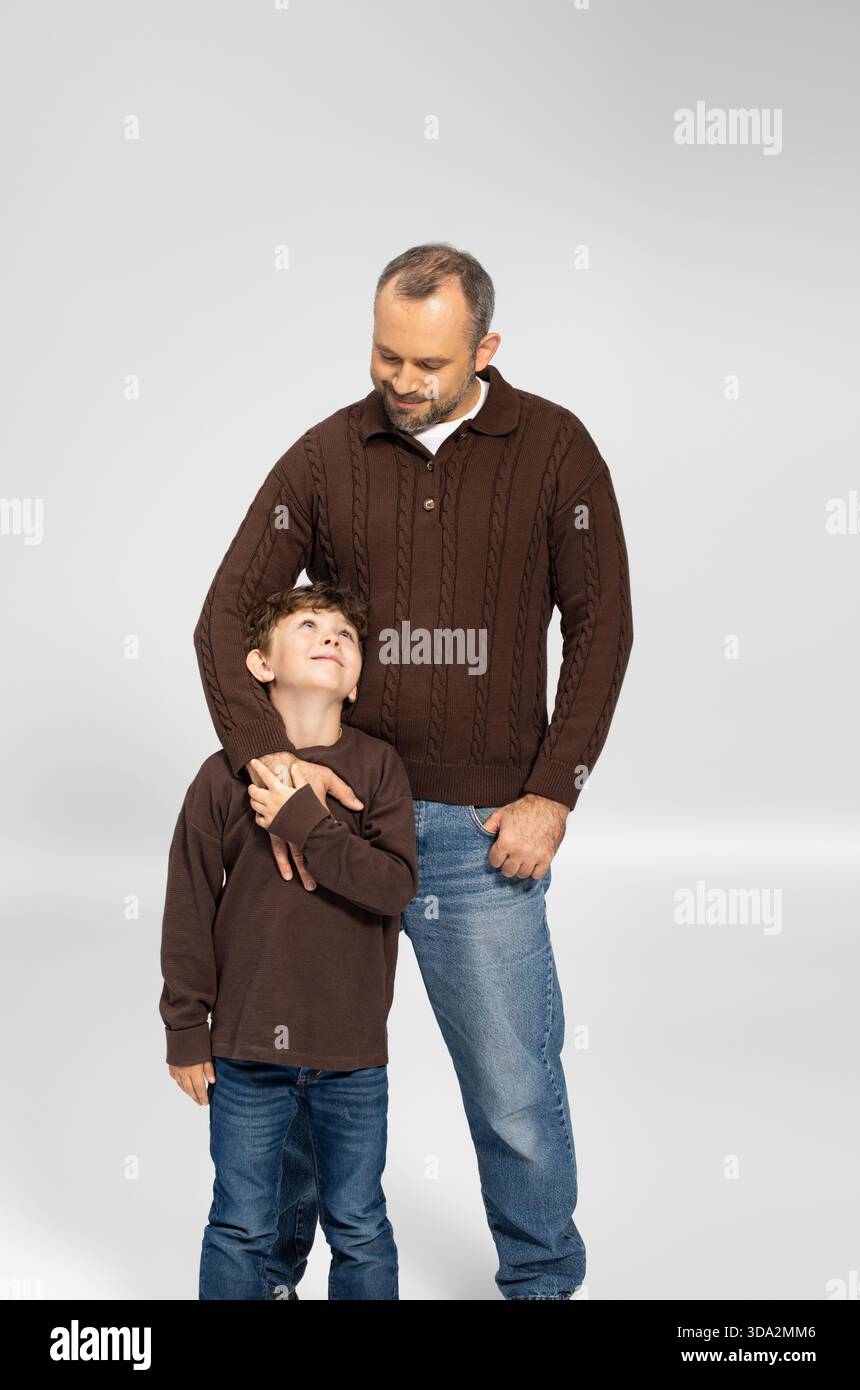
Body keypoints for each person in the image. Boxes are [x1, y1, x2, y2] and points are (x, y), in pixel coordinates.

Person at [193, 241, 634, 1299]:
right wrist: (274, 773)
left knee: (513, 1083)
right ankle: (267, 1279)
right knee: (298, 1068)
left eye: (426, 364)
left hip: (479, 825)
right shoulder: (325, 453)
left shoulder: (556, 450)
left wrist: (551, 791)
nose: (399, 381)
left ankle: (540, 1281)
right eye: (385, 354)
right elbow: (221, 621)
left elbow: (601, 627)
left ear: (484, 347)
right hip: (329, 817)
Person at [159, 582, 419, 1300]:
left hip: (351, 1055)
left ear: (359, 676)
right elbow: (188, 907)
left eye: (345, 632)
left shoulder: (380, 770)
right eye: (308, 624)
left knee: (360, 1225)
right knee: (241, 1224)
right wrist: (186, 1027)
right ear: (259, 664)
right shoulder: (219, 779)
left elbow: (393, 887)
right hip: (244, 1053)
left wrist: (306, 821)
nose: (330, 634)